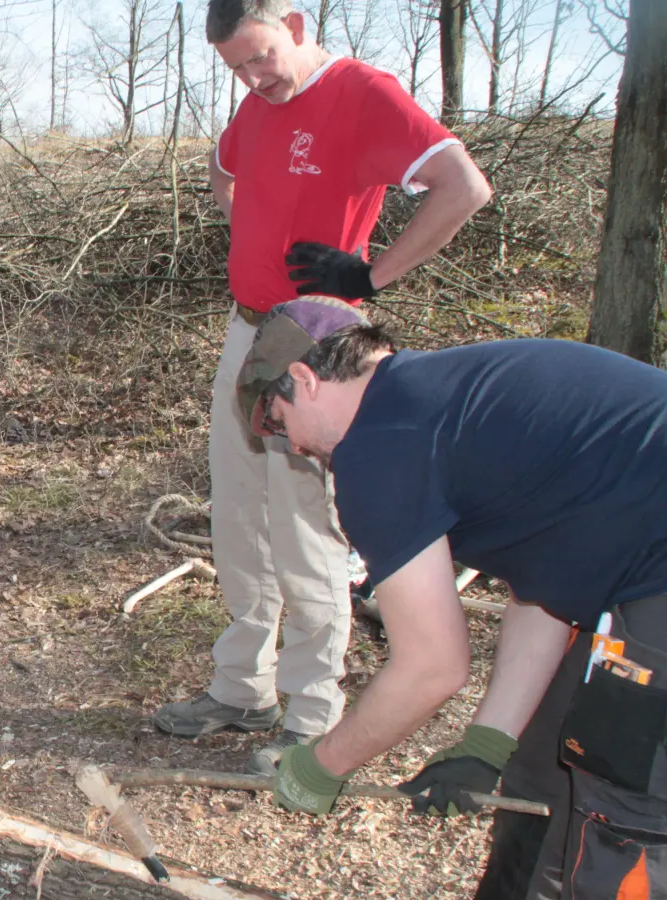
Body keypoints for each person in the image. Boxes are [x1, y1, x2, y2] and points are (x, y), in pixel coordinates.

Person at [154, 0, 491, 775]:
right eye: (235, 65)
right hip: (248, 332)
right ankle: (243, 686)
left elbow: (462, 187)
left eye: (260, 55)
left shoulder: (363, 93)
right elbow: (224, 168)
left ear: (297, 25)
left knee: (306, 527)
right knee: (239, 512)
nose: (250, 76)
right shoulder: (254, 102)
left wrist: (370, 274)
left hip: (317, 346)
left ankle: (311, 714)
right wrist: (249, 235)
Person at [242, 299, 667, 899]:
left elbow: (432, 667)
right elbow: (542, 589)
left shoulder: (378, 449)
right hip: (637, 567)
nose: (296, 450)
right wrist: (487, 743)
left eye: (280, 424)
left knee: (627, 819)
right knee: (544, 771)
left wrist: (322, 765)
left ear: (306, 381)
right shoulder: (447, 400)